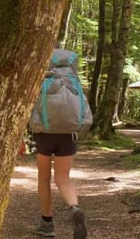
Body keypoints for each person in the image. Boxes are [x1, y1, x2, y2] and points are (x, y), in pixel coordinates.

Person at [29, 48, 90, 239]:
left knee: (44, 178)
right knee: (63, 177)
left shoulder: (43, 80)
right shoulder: (74, 82)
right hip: (68, 134)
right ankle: (74, 207)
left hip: (44, 134)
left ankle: (47, 224)